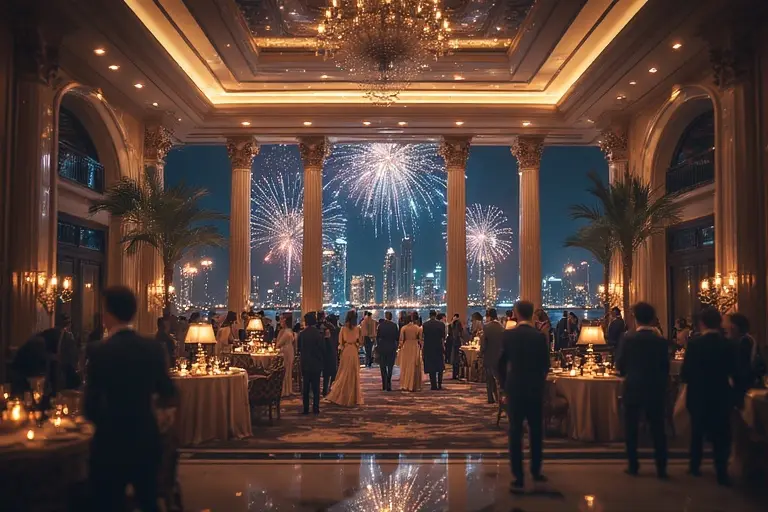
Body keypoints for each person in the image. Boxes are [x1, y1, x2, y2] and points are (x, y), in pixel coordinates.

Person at [85, 286, 176, 511]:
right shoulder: (153, 348)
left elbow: (90, 405)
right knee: (148, 500)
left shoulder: (98, 350)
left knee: (107, 502)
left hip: (109, 442)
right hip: (147, 437)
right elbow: (168, 392)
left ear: (108, 315)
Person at [681, 306, 739, 486]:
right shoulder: (729, 344)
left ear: (702, 323)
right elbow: (735, 371)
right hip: (721, 393)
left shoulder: (695, 344)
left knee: (697, 432)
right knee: (722, 433)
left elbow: (685, 373)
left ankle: (695, 465)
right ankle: (721, 471)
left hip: (699, 393)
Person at [497, 300, 550, 494]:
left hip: (515, 389)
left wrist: (504, 386)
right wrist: (540, 382)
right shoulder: (538, 337)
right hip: (535, 389)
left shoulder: (509, 335)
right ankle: (536, 471)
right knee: (536, 431)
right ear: (532, 315)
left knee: (515, 432)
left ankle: (518, 476)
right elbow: (546, 364)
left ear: (517, 314)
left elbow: (500, 364)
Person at [615, 302, 669, 478]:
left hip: (634, 387)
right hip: (656, 389)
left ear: (635, 317)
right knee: (658, 429)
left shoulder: (628, 339)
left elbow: (621, 366)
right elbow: (665, 368)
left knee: (631, 429)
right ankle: (661, 468)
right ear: (652, 318)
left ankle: (633, 465)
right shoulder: (660, 342)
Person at [326, 310, 364, 406]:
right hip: (354, 351)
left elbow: (340, 343)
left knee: (344, 372)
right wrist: (356, 344)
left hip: (346, 351)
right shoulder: (358, 329)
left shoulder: (343, 329)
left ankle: (342, 394)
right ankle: (353, 396)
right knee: (353, 373)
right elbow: (361, 342)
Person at [725, 312, 766, 392]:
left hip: (745, 389)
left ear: (734, 327)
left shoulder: (745, 342)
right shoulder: (748, 340)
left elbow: (742, 369)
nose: (726, 328)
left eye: (729, 324)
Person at [41, 313, 80, 392]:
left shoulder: (46, 333)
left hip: (45, 369)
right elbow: (72, 357)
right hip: (60, 371)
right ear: (67, 325)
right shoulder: (67, 337)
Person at [298, 312, 325, 414]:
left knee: (306, 388)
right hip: (316, 363)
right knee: (316, 387)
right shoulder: (318, 334)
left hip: (305, 363)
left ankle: (305, 409)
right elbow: (322, 348)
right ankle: (316, 408)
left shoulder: (302, 334)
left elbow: (299, 348)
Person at [481, 308, 504, 404]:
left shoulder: (486, 327)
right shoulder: (502, 327)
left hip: (489, 356)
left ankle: (490, 398)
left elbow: (483, 344)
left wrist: (481, 352)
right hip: (500, 357)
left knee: (489, 379)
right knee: (499, 379)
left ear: (489, 316)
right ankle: (500, 397)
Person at [399, 312, 424, 391]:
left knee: (406, 365)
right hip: (414, 346)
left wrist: (400, 347)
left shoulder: (404, 328)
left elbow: (401, 340)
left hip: (406, 347)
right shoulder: (418, 328)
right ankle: (414, 385)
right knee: (414, 365)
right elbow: (420, 340)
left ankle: (405, 384)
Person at [422, 310, 446, 391]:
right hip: (438, 346)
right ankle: (439, 384)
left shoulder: (425, 325)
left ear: (429, 315)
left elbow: (423, 337)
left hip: (429, 347)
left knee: (431, 366)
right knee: (440, 366)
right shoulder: (441, 324)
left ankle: (433, 385)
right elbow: (443, 337)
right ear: (435, 315)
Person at [377, 311, 399, 391]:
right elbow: (397, 337)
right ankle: (389, 383)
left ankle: (384, 384)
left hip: (382, 347)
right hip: (391, 347)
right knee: (390, 366)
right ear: (391, 317)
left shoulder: (380, 326)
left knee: (382, 367)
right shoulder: (394, 326)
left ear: (385, 317)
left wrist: (379, 346)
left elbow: (378, 337)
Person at [276, 313, 295, 397]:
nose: (280, 321)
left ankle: (286, 390)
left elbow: (278, 344)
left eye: (281, 319)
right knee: (287, 370)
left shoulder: (285, 331)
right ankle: (286, 389)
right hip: (289, 350)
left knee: (286, 370)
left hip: (285, 351)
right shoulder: (289, 331)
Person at [449, 314, 465, 380]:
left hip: (454, 343)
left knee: (455, 359)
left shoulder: (453, 324)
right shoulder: (458, 323)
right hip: (457, 343)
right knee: (457, 359)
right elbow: (461, 332)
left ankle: (455, 375)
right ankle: (456, 374)